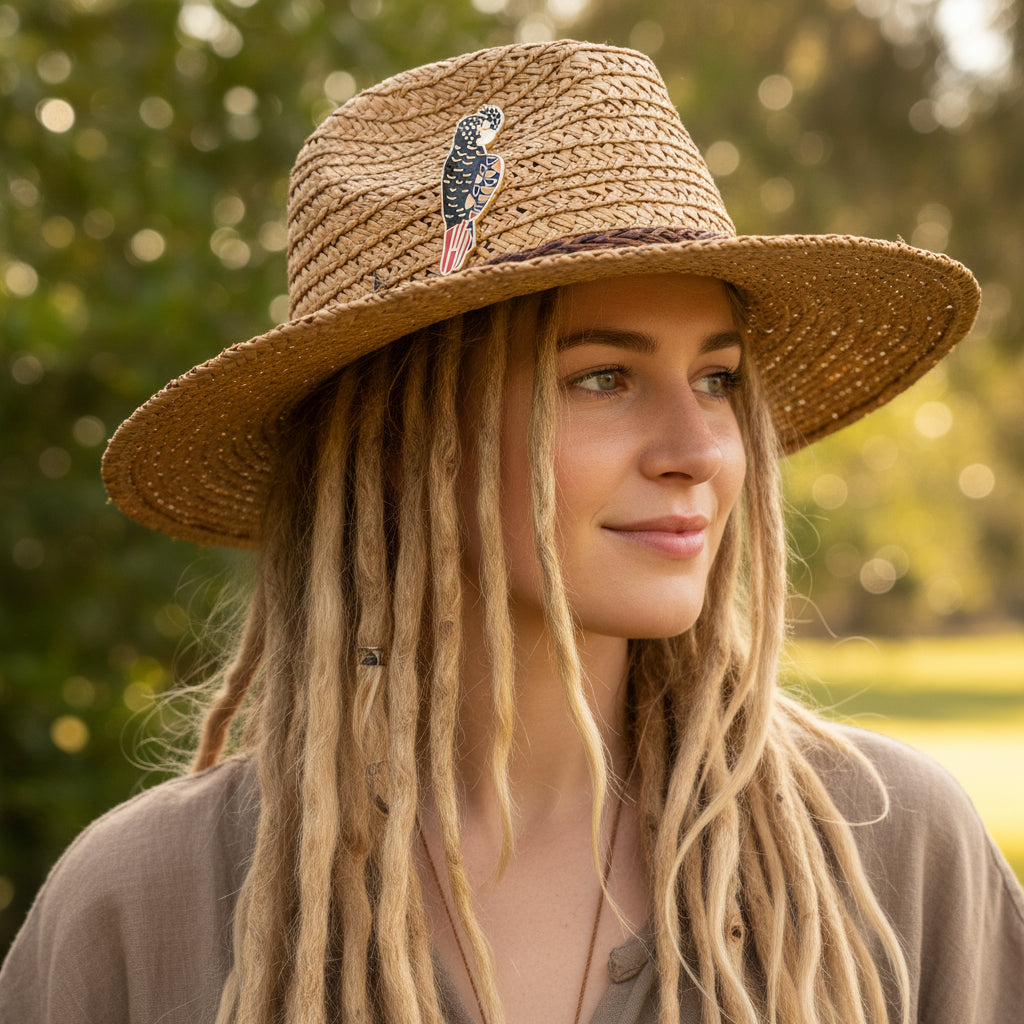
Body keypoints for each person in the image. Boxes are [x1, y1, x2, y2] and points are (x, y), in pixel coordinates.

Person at [1, 38, 1021, 1024]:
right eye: (602, 378)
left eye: (717, 379)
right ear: (395, 442)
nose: (698, 450)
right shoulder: (145, 909)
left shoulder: (889, 855)